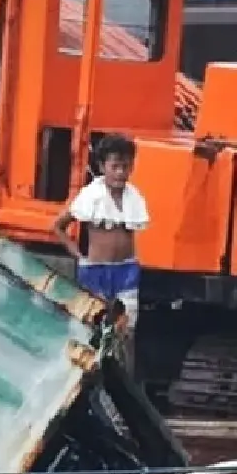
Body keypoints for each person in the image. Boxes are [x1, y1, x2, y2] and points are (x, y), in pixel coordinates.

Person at [51, 134, 149, 333]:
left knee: (126, 328)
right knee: (90, 326)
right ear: (103, 167)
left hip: (126, 271)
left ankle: (125, 364)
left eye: (126, 166)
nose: (121, 173)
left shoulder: (134, 197)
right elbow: (58, 226)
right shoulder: (91, 196)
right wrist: (79, 257)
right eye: (115, 167)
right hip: (95, 271)